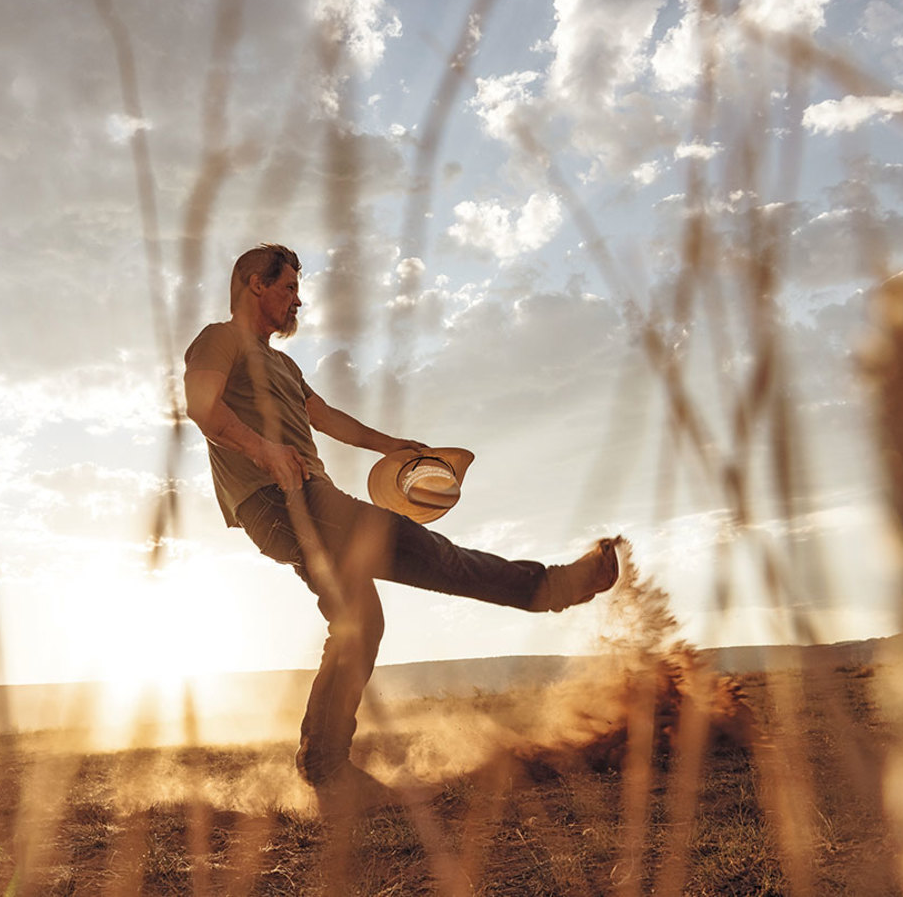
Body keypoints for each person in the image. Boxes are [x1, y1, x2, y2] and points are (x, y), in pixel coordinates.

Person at [184, 243, 622, 815]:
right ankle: (551, 587)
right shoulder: (219, 339)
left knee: (361, 621)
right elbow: (201, 408)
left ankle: (325, 769)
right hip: (280, 499)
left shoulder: (285, 366)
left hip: (305, 500)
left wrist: (394, 446)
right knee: (421, 550)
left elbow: (328, 419)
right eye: (288, 286)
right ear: (253, 283)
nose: (297, 298)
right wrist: (265, 450)